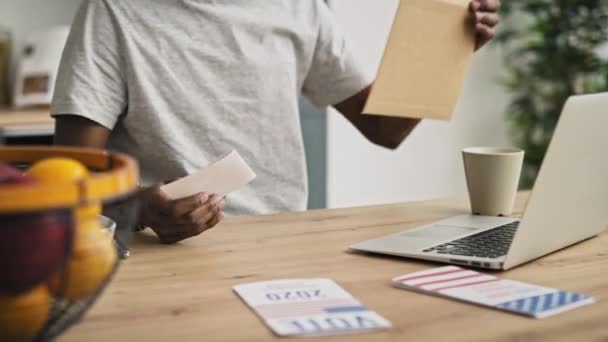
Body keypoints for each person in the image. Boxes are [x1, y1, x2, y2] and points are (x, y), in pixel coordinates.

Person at [52, 0, 500, 244]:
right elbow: (70, 178)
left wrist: (447, 50)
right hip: (165, 251)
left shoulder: (301, 9)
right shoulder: (113, 11)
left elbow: (384, 130)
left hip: (282, 247)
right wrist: (139, 210)